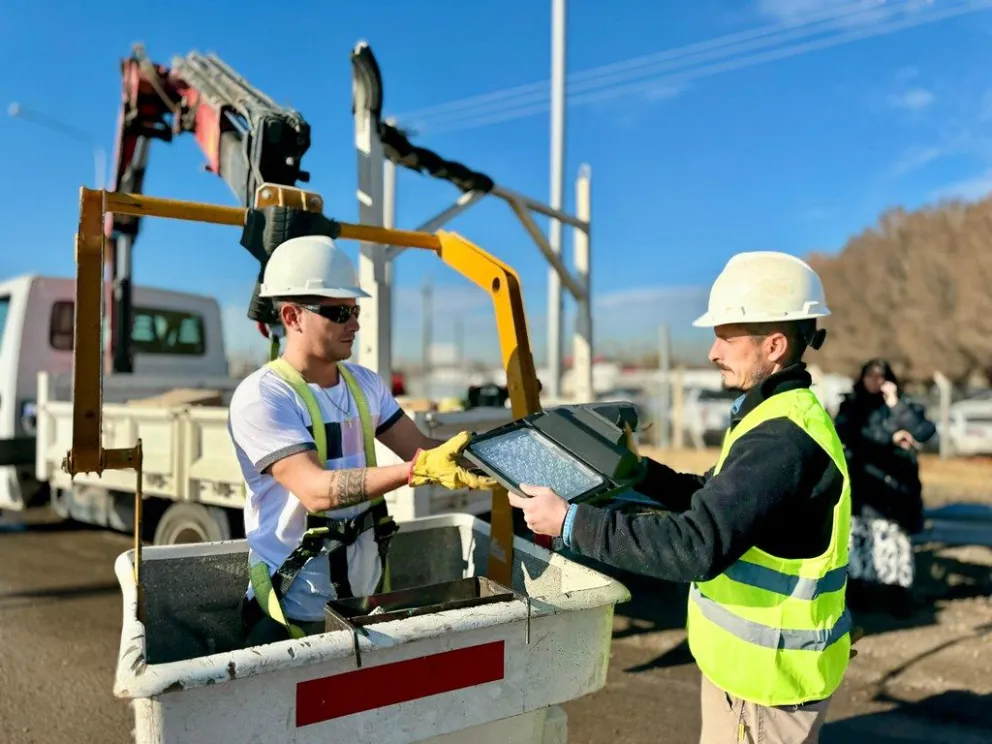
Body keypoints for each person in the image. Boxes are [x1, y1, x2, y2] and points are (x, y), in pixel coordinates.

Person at [509, 251, 855, 744]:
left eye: (725, 337)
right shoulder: (773, 417)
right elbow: (714, 499)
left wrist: (569, 523)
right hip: (750, 675)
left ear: (774, 345)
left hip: (768, 685)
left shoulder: (780, 439)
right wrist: (642, 474)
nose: (713, 352)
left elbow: (695, 544)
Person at [228, 234, 495, 645]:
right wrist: (414, 472)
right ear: (292, 316)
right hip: (295, 609)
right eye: (338, 311)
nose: (354, 322)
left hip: (364, 600)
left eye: (354, 309)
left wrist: (494, 457)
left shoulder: (365, 385)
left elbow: (421, 449)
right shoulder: (264, 396)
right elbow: (316, 491)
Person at [834, 358, 936, 615]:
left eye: (881, 376)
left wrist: (895, 404)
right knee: (859, 540)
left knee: (895, 543)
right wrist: (891, 436)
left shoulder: (902, 405)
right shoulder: (852, 406)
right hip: (864, 484)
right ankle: (859, 594)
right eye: (870, 375)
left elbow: (924, 431)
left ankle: (896, 597)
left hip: (897, 488)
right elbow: (849, 434)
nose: (875, 381)